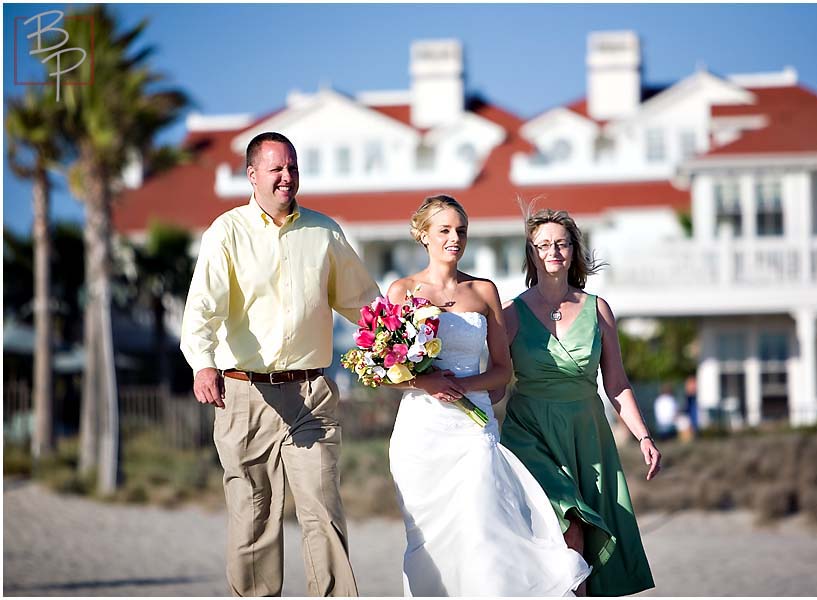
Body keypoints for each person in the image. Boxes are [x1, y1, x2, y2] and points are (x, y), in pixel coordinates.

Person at [180, 131, 379, 597]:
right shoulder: (226, 232)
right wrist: (203, 364)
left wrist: (405, 339)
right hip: (245, 395)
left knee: (323, 511)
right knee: (254, 517)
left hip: (311, 395)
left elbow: (363, 303)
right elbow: (202, 308)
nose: (286, 177)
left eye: (292, 167)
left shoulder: (324, 231)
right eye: (276, 169)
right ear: (252, 176)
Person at [385, 195, 590, 596]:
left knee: (483, 525)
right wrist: (427, 383)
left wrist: (462, 385)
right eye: (444, 230)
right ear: (423, 235)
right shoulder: (402, 291)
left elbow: (501, 370)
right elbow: (385, 371)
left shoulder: (483, 291)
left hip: (471, 428)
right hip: (420, 434)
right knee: (429, 541)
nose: (454, 238)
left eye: (460, 230)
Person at [498, 206, 659, 596]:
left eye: (562, 243)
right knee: (567, 518)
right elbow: (495, 380)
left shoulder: (598, 309)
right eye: (544, 244)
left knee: (584, 530)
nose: (554, 251)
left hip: (586, 432)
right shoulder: (511, 314)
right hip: (530, 431)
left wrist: (642, 436)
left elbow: (617, 383)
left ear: (574, 251)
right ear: (531, 253)